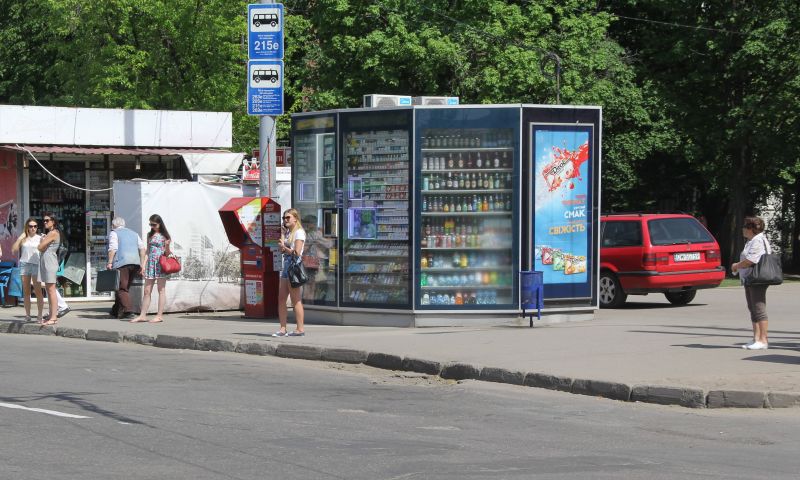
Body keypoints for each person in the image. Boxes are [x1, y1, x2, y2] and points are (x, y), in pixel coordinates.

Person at [731, 216, 772, 350]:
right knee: (753, 308)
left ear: (751, 229)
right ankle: (756, 338)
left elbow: (751, 260)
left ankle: (763, 340)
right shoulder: (752, 240)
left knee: (759, 308)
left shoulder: (758, 241)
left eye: (744, 227)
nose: (742, 229)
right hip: (750, 278)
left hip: (758, 279)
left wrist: (736, 266)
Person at [132, 214, 171, 323]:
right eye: (150, 224)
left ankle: (159, 315)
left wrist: (167, 246)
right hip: (150, 264)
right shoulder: (150, 235)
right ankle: (142, 315)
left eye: (154, 224)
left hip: (161, 264)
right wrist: (143, 265)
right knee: (147, 290)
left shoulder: (165, 236)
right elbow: (148, 251)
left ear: (159, 224)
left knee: (161, 290)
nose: (152, 226)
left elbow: (167, 253)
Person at [273, 208, 306, 337]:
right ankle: (282, 328)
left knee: (295, 299)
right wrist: (282, 234)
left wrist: (285, 248)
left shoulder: (299, 233)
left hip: (294, 266)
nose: (285, 220)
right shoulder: (288, 233)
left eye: (288, 218)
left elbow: (297, 252)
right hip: (286, 266)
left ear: (295, 219)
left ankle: (300, 329)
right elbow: (282, 249)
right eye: (284, 218)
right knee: (281, 298)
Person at [107, 216, 146, 320]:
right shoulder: (134, 233)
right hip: (135, 263)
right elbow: (142, 249)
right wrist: (141, 264)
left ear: (113, 225)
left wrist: (110, 262)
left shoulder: (114, 233)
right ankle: (115, 311)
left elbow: (113, 248)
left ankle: (128, 311)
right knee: (123, 288)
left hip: (122, 263)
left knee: (121, 288)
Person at [11, 218, 44, 323]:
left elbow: (44, 250)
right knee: (26, 292)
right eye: (30, 226)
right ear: (27, 227)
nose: (33, 228)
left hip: (36, 264)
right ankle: (28, 315)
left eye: (35, 226)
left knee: (38, 291)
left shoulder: (40, 238)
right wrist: (20, 238)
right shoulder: (24, 238)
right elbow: (14, 249)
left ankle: (40, 315)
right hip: (24, 264)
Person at [37, 212, 62, 326]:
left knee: (51, 290)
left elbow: (40, 247)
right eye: (44, 220)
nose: (45, 222)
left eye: (47, 220)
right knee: (49, 289)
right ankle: (52, 316)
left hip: (50, 262)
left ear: (53, 221)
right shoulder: (49, 233)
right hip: (47, 261)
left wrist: (42, 241)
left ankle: (53, 317)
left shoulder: (53, 233)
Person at [302, 215, 334, 303]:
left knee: (309, 284)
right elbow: (329, 244)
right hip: (312, 262)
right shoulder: (313, 233)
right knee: (312, 285)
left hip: (309, 262)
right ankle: (310, 303)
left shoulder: (308, 233)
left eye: (306, 223)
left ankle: (307, 303)